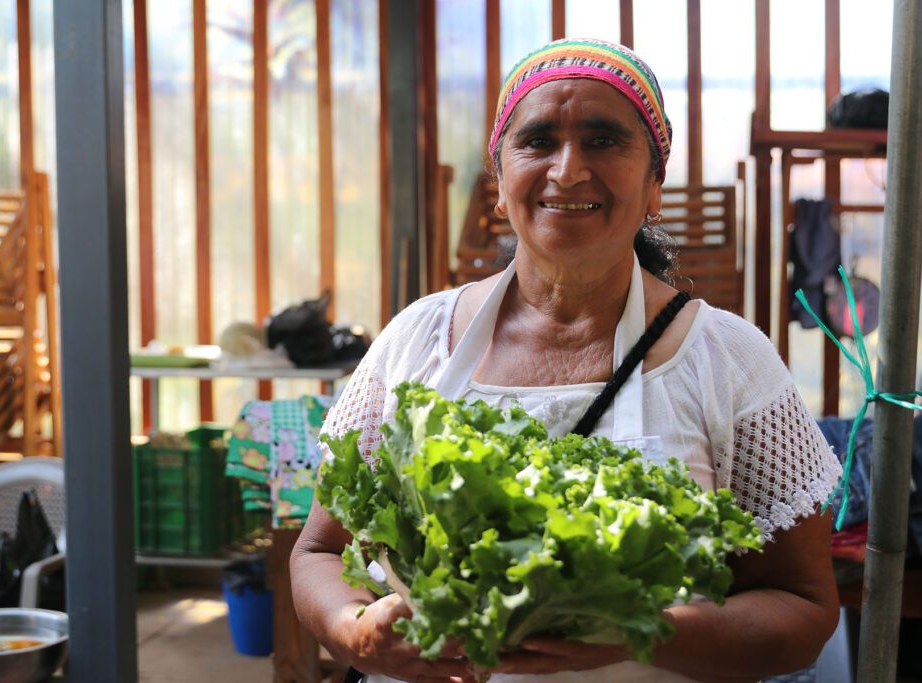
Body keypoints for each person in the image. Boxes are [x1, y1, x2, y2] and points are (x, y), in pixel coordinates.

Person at [291, 38, 841, 682]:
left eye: (605, 140)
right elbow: (318, 551)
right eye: (538, 141)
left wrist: (639, 632)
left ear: (654, 185)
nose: (568, 169)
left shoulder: (725, 359)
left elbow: (804, 610)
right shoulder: (417, 338)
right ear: (499, 184)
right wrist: (350, 629)